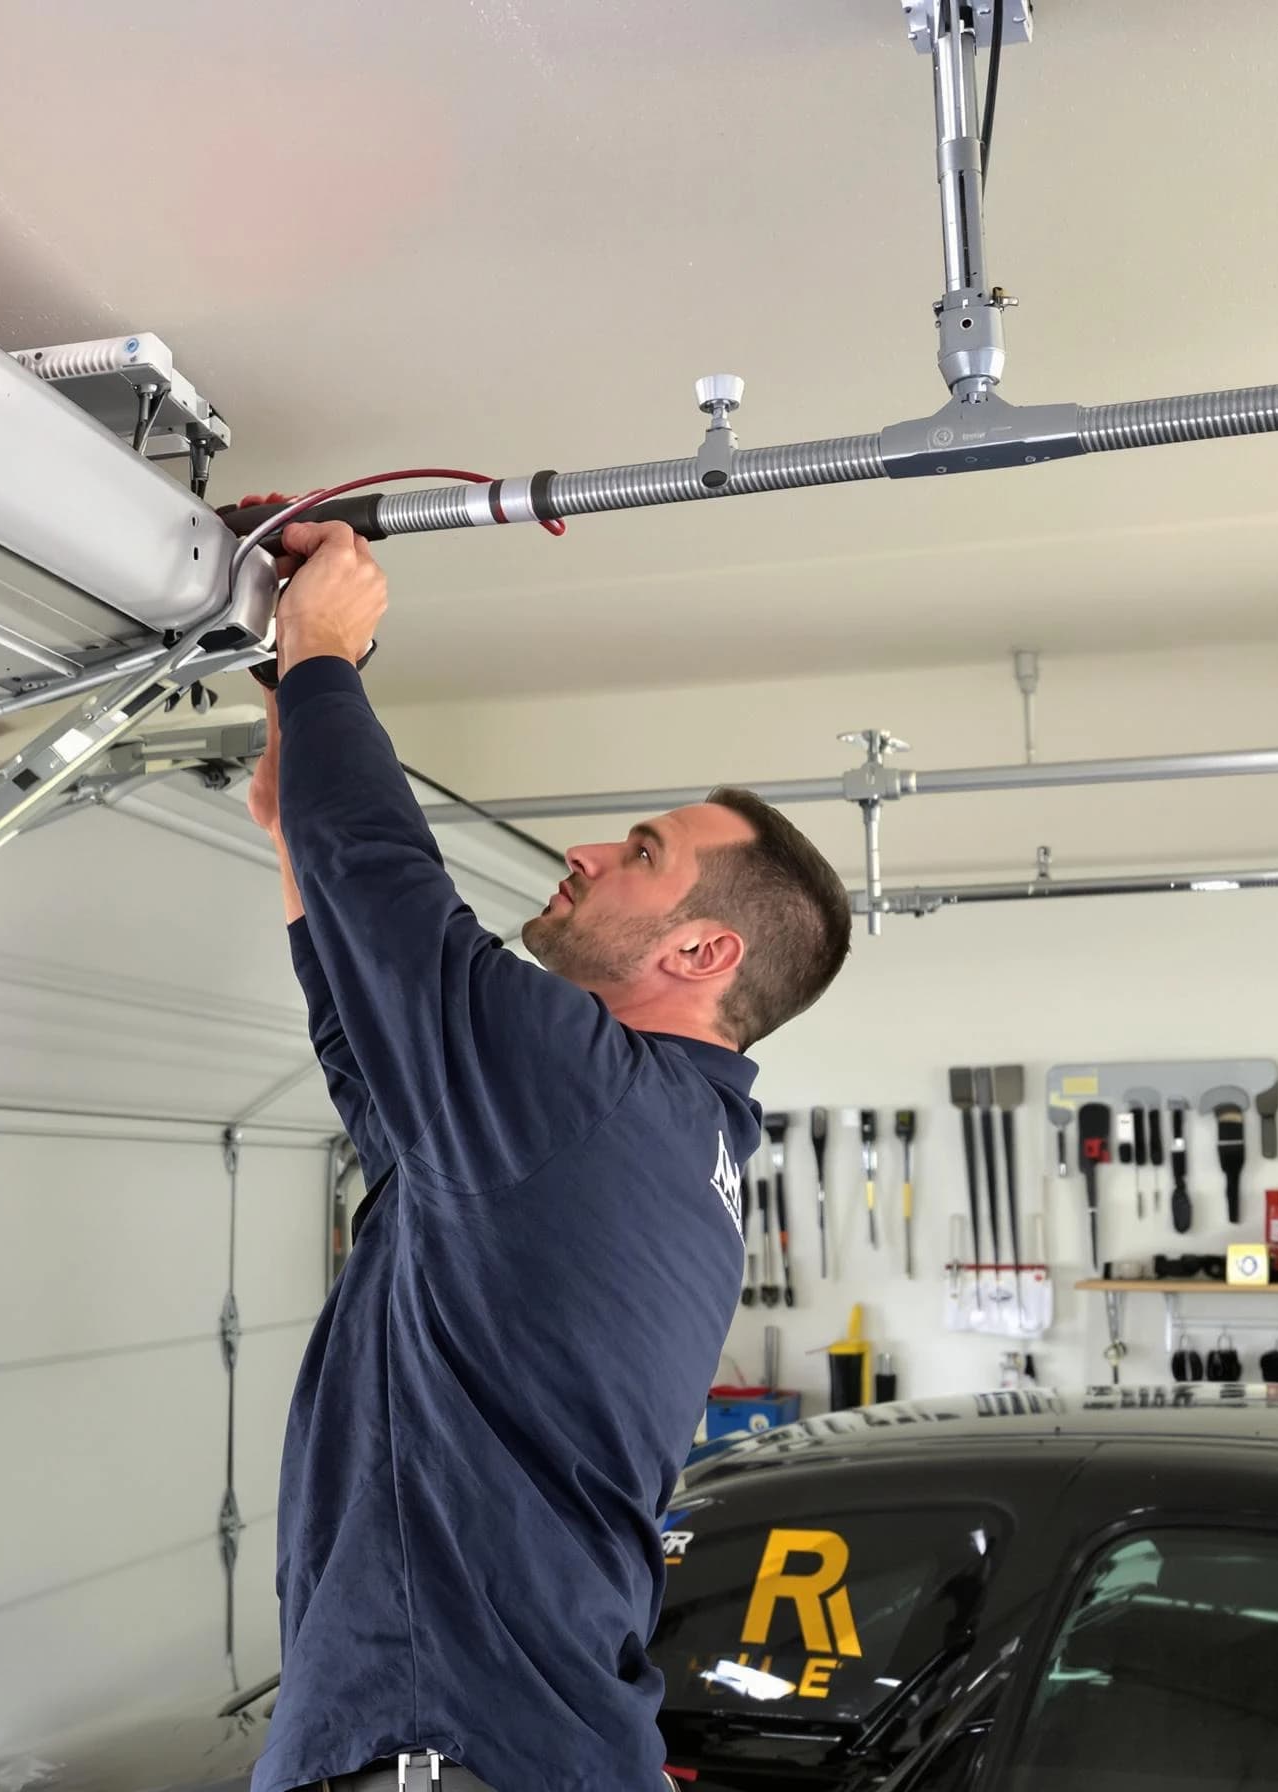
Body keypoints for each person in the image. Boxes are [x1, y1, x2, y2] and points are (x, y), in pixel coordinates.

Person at [245, 519, 853, 1792]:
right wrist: (305, 775)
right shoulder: (657, 1129)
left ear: (701, 954)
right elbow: (381, 1061)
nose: (582, 852)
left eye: (641, 855)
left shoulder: (600, 1098)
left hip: (445, 1752)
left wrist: (328, 660)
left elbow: (394, 901)